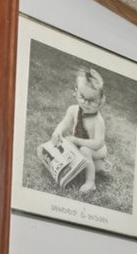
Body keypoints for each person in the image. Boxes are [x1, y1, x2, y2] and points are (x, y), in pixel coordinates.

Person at [45, 66, 110, 194]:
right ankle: (91, 166)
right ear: (75, 92)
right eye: (82, 97)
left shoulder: (98, 121)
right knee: (64, 144)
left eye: (91, 100)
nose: (85, 103)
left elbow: (98, 144)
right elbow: (64, 124)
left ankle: (90, 182)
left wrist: (76, 140)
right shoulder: (73, 110)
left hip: (97, 151)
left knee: (85, 150)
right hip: (79, 146)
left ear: (101, 102)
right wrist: (57, 132)